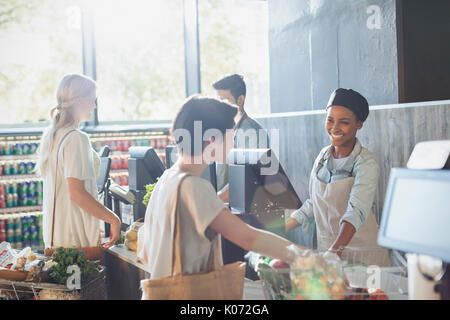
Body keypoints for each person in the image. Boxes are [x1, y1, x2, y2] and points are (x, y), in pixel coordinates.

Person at [137, 96, 308, 279]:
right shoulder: (194, 186)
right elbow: (248, 238)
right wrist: (304, 255)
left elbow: (145, 251)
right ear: (212, 139)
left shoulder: (167, 179)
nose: (233, 141)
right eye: (231, 133)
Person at [285, 88, 389, 265]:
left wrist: (335, 251)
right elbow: (315, 202)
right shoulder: (322, 157)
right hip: (329, 254)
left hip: (363, 258)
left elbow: (356, 211)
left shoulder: (366, 163)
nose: (334, 128)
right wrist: (281, 228)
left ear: (359, 124)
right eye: (330, 120)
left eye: (344, 122)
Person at [37, 74, 121, 249]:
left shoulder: (52, 135)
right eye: (91, 100)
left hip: (56, 240)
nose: (94, 105)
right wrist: (114, 219)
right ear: (78, 101)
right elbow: (77, 194)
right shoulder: (77, 138)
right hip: (75, 240)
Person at [212, 74, 270, 202]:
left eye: (224, 100)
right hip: (223, 207)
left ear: (240, 100)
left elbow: (247, 179)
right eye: (218, 101)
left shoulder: (254, 133)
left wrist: (212, 202)